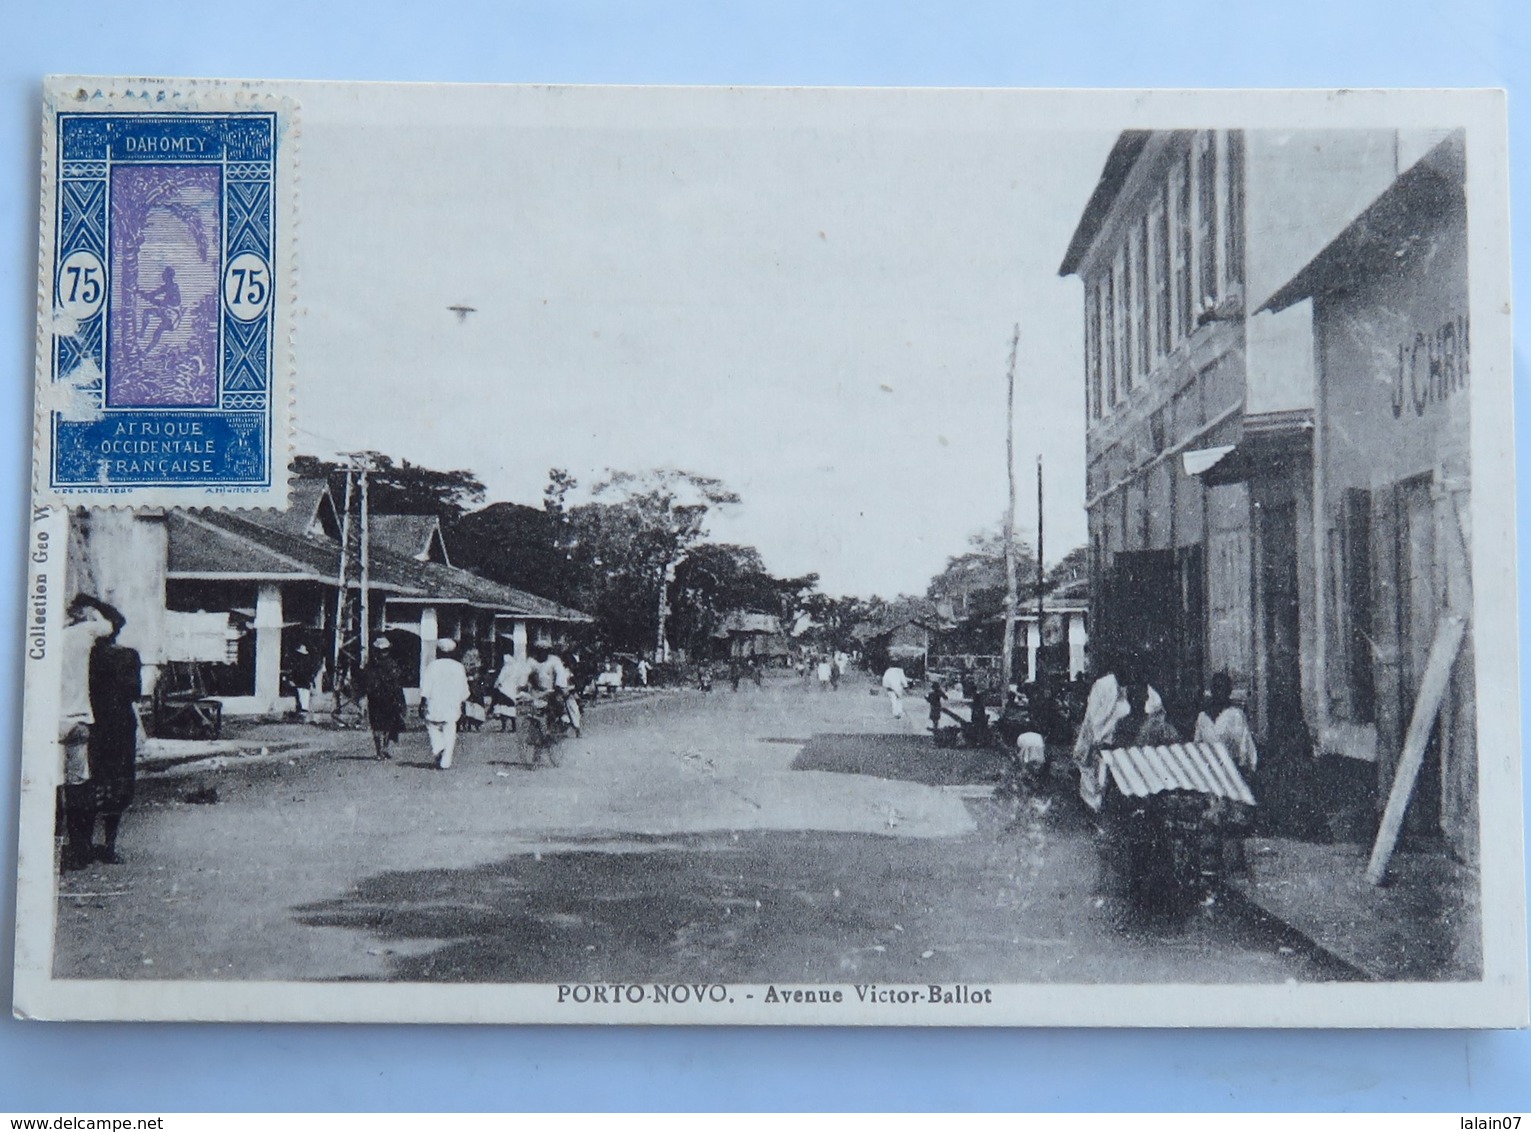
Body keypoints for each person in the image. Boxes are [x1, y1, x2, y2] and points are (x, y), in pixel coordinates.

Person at [58, 595, 123, 871]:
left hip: (47, 719)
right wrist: (94, 609)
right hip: (77, 718)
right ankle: (79, 849)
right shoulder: (83, 633)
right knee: (77, 788)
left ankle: (53, 850)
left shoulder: (48, 637)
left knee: (51, 787)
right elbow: (114, 623)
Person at [420, 639, 470, 769]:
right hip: (452, 704)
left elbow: (426, 687)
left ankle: (438, 748)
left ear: (438, 652)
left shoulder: (432, 666)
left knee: (432, 726)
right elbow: (464, 689)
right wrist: (463, 703)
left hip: (435, 703)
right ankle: (445, 761)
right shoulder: (459, 667)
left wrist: (422, 702)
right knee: (450, 731)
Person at [360, 637, 407, 759]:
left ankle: (380, 750)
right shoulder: (391, 665)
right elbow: (397, 685)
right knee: (385, 725)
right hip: (386, 699)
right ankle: (383, 749)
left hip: (377, 699)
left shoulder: (370, 666)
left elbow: (365, 683)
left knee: (379, 726)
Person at [492, 652, 529, 732]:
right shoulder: (515, 669)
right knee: (511, 710)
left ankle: (504, 727)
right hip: (512, 691)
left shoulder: (505, 668)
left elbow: (500, 678)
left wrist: (496, 685)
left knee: (503, 709)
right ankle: (513, 727)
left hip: (503, 691)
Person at [288, 642, 322, 722]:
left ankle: (302, 713)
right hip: (303, 680)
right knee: (303, 696)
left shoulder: (302, 660)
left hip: (302, 680)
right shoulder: (307, 660)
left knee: (302, 696)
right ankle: (302, 712)